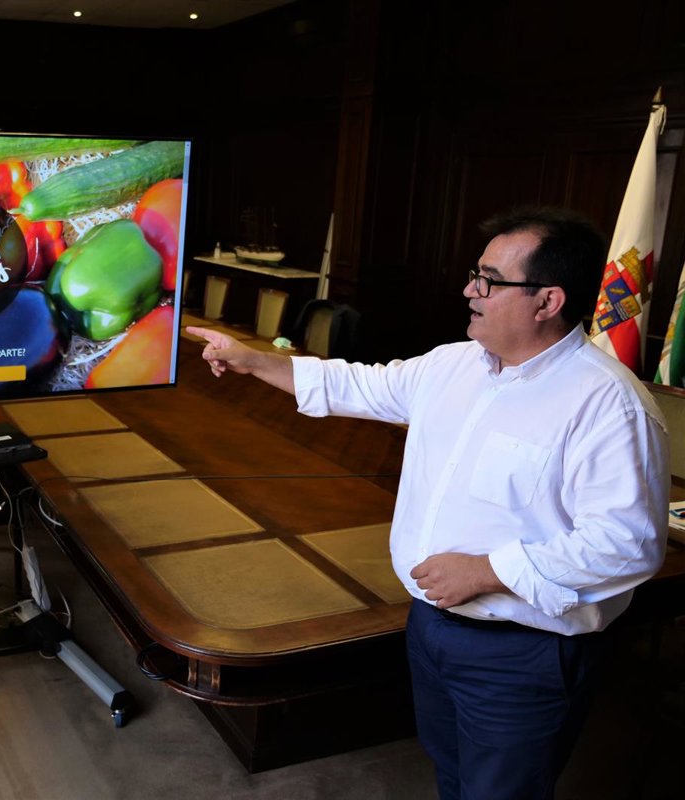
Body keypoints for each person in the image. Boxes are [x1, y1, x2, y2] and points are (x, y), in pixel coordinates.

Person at [187, 207, 668, 800]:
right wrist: (254, 360)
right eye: (475, 274)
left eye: (489, 280)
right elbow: (360, 384)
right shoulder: (453, 364)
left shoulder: (608, 404)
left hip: (524, 651)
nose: (470, 290)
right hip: (431, 626)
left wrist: (487, 571)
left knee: (501, 792)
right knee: (453, 775)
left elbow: (628, 545)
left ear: (548, 301)